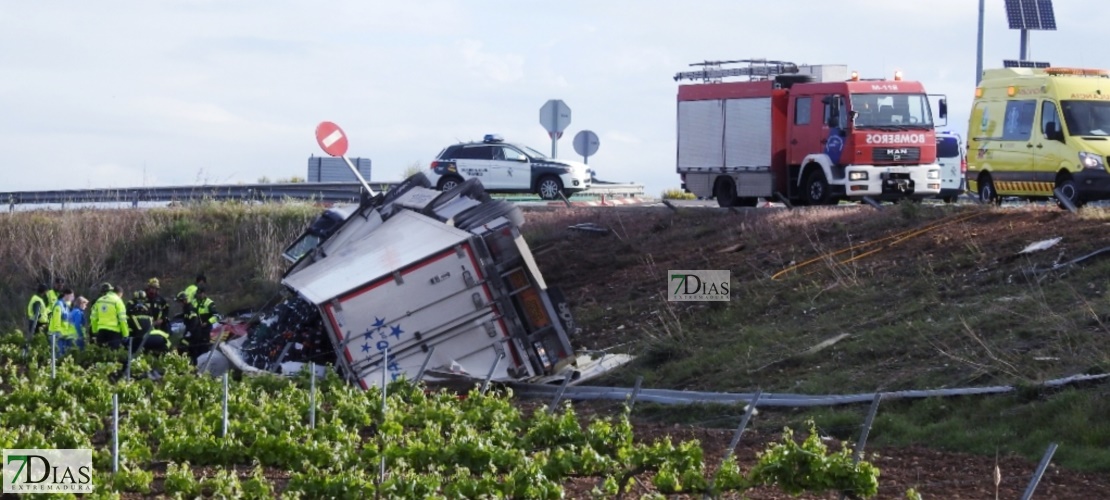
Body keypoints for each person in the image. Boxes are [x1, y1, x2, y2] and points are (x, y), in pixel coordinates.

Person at [182, 286, 220, 362]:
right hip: (195, 330)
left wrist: (207, 322)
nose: (199, 295)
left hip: (205, 330)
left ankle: (203, 364)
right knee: (193, 348)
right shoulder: (194, 302)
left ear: (204, 293)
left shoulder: (209, 303)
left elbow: (216, 316)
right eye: (198, 294)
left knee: (203, 348)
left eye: (200, 294)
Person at [90, 283, 129, 349]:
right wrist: (125, 334)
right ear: (119, 294)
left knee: (101, 353)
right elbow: (122, 319)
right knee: (113, 355)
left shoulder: (99, 300)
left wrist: (94, 331)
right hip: (114, 332)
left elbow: (93, 318)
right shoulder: (118, 301)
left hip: (101, 331)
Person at [48, 288, 75, 355]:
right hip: (56, 334)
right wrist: (58, 333)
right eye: (71, 296)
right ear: (66, 295)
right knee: (58, 354)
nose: (72, 298)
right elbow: (56, 321)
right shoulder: (59, 305)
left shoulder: (66, 306)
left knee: (63, 354)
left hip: (63, 334)